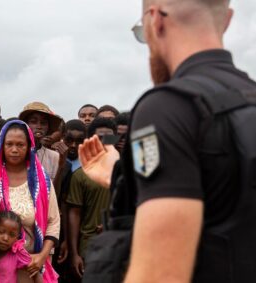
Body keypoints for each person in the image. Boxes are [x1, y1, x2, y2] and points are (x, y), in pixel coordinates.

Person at [80, 0, 256, 281]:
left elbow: (159, 275)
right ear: (227, 20)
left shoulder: (167, 109)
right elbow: (227, 197)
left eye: (141, 32)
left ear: (155, 20)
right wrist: (120, 176)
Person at [0, 120, 60, 283]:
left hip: (32, 266)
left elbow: (54, 222)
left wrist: (41, 257)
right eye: (9, 144)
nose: (14, 150)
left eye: (20, 145)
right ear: (2, 145)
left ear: (29, 146)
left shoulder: (42, 181)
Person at [67, 118, 114, 281]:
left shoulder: (125, 171)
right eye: (100, 137)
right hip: (90, 248)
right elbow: (74, 214)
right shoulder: (80, 175)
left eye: (109, 137)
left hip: (121, 246)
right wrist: (74, 254)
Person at [51, 119, 87, 283]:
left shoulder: (89, 165)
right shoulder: (55, 160)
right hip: (58, 229)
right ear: (62, 138)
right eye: (69, 140)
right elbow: (57, 198)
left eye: (79, 141)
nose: (73, 145)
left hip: (82, 229)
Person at [19, 102, 63, 182]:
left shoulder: (54, 157)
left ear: (48, 127)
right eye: (33, 122)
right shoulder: (15, 152)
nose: (39, 126)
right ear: (25, 125)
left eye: (43, 123)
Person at [0, 211, 43, 283]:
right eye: (1, 232)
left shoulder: (17, 253)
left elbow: (35, 271)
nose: (5, 238)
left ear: (17, 237)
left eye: (12, 235)